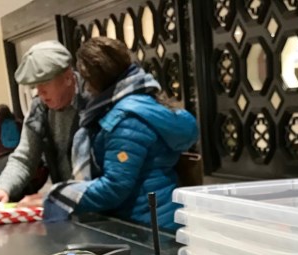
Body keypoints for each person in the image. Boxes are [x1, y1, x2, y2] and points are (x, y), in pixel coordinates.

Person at [43, 37, 199, 231]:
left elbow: (115, 187)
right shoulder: (144, 99)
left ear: (93, 80)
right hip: (161, 217)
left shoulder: (125, 119)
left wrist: (60, 194)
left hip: (148, 227)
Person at [0, 41, 91, 206]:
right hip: (65, 205)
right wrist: (3, 189)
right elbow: (25, 157)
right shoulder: (40, 107)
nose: (39, 91)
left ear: (68, 77)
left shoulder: (93, 101)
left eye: (45, 82)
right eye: (35, 84)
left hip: (100, 206)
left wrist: (55, 197)